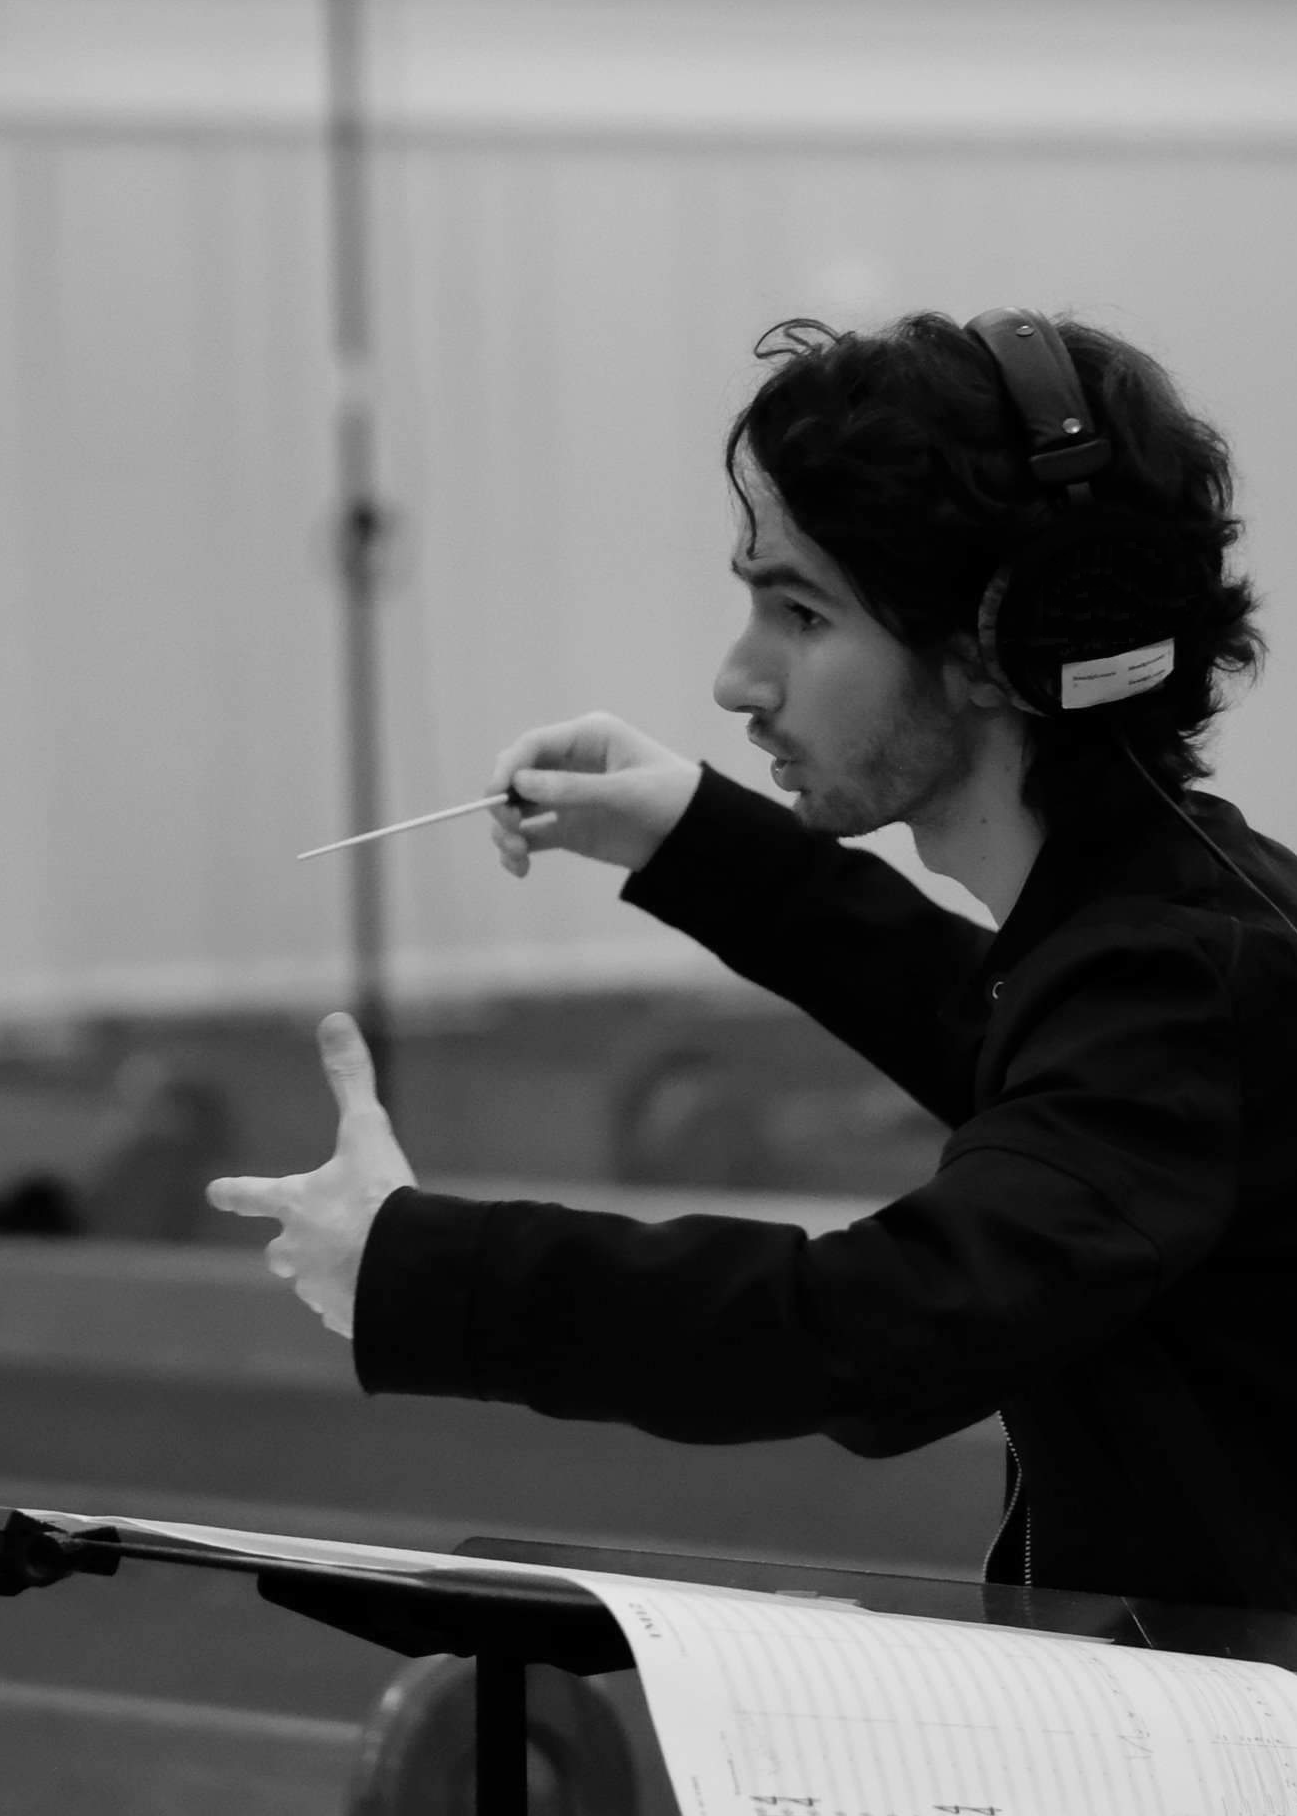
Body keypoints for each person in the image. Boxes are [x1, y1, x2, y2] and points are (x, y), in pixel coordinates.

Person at [207, 309, 1297, 1612]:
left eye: (799, 611)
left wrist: (419, 1264)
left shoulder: (1187, 982)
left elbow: (885, 1324)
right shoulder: (1163, 936)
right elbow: (994, 1030)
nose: (734, 681)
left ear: (1009, 647)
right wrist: (686, 837)